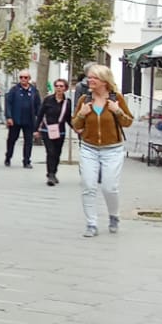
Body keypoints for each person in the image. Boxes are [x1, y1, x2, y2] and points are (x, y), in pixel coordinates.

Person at [70, 64, 133, 236]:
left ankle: (114, 216)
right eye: (89, 77)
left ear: (104, 81)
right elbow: (75, 125)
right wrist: (82, 114)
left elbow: (128, 122)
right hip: (89, 148)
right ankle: (91, 224)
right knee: (88, 186)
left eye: (94, 78)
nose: (89, 80)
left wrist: (117, 110)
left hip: (112, 150)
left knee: (109, 187)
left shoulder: (116, 98)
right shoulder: (84, 100)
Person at [35, 77, 72, 186]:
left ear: (65, 88)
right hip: (47, 130)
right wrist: (36, 129)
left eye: (61, 86)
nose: (58, 88)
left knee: (57, 153)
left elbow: (68, 118)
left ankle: (54, 172)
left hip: (60, 131)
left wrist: (76, 128)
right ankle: (50, 174)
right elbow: (40, 114)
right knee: (50, 152)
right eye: (57, 86)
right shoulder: (48, 99)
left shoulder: (67, 102)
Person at [4, 69, 42, 168]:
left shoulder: (34, 90)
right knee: (12, 139)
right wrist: (9, 117)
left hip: (29, 120)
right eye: (21, 77)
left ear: (29, 78)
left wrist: (40, 118)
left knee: (28, 141)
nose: (23, 79)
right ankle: (8, 157)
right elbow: (8, 103)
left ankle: (26, 161)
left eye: (25, 77)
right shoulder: (14, 89)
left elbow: (38, 105)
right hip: (16, 119)